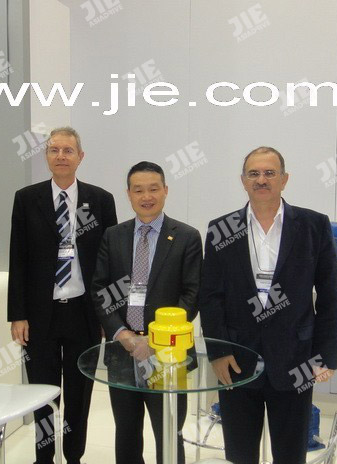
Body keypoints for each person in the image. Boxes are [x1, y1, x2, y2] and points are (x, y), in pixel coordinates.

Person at [198, 147, 337, 464]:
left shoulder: (314, 225)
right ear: (243, 180)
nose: (261, 180)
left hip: (296, 359)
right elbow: (210, 296)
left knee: (290, 455)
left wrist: (324, 355)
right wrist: (219, 352)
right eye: (254, 173)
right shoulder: (221, 229)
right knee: (240, 454)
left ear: (284, 179)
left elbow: (331, 296)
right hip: (236, 361)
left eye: (269, 173)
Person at [8, 127, 117, 464]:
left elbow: (110, 262)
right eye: (54, 150)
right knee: (42, 393)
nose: (60, 156)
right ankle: (43, 457)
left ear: (80, 157)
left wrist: (109, 315)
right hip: (40, 314)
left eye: (68, 150)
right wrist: (17, 314)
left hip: (84, 313)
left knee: (79, 393)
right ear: (46, 156)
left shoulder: (100, 200)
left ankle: (73, 456)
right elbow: (18, 258)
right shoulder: (27, 198)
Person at [91, 161, 202, 464]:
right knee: (126, 434)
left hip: (168, 353)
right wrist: (123, 334)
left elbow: (191, 296)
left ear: (165, 190)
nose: (146, 196)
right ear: (128, 194)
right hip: (122, 351)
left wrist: (156, 340)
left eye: (153, 189)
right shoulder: (113, 235)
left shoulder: (187, 236)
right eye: (138, 190)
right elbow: (100, 290)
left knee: (169, 434)